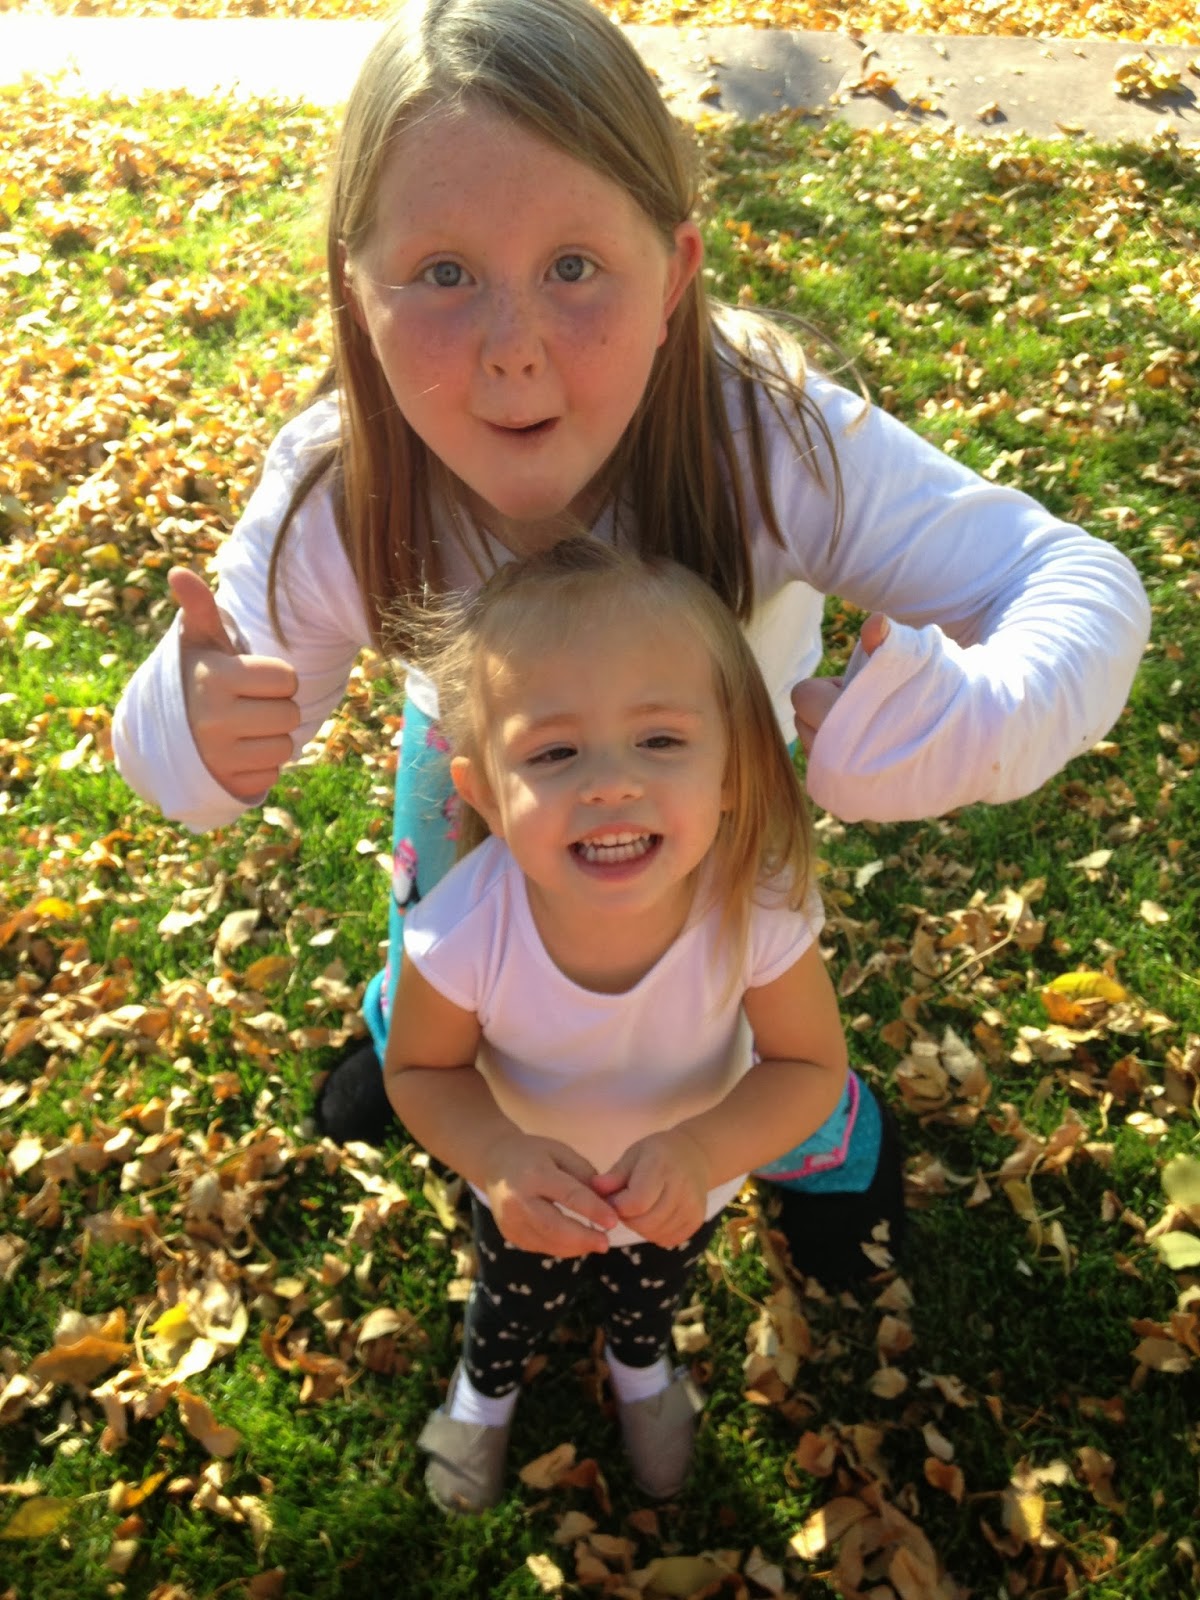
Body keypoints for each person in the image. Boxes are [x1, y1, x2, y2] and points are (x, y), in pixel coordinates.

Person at [111, 0, 1149, 1289]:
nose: (513, 352)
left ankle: (821, 1145)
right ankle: (415, 1046)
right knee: (441, 937)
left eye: (573, 266)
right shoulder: (344, 487)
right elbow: (191, 725)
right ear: (353, 291)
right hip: (482, 764)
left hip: (698, 778)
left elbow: (1072, 581)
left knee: (727, 1009)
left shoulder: (765, 433)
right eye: (443, 274)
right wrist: (182, 725)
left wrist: (980, 720)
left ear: (675, 272)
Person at [383, 537, 850, 1511]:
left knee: (652, 1293)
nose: (609, 784)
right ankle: (484, 1389)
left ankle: (640, 1364)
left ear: (734, 766)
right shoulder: (463, 930)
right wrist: (498, 1159)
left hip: (685, 1187)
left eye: (661, 741)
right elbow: (421, 1072)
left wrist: (703, 1150)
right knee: (511, 1305)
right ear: (484, 792)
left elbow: (810, 1064)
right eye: (553, 752)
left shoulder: (755, 911)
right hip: (528, 1189)